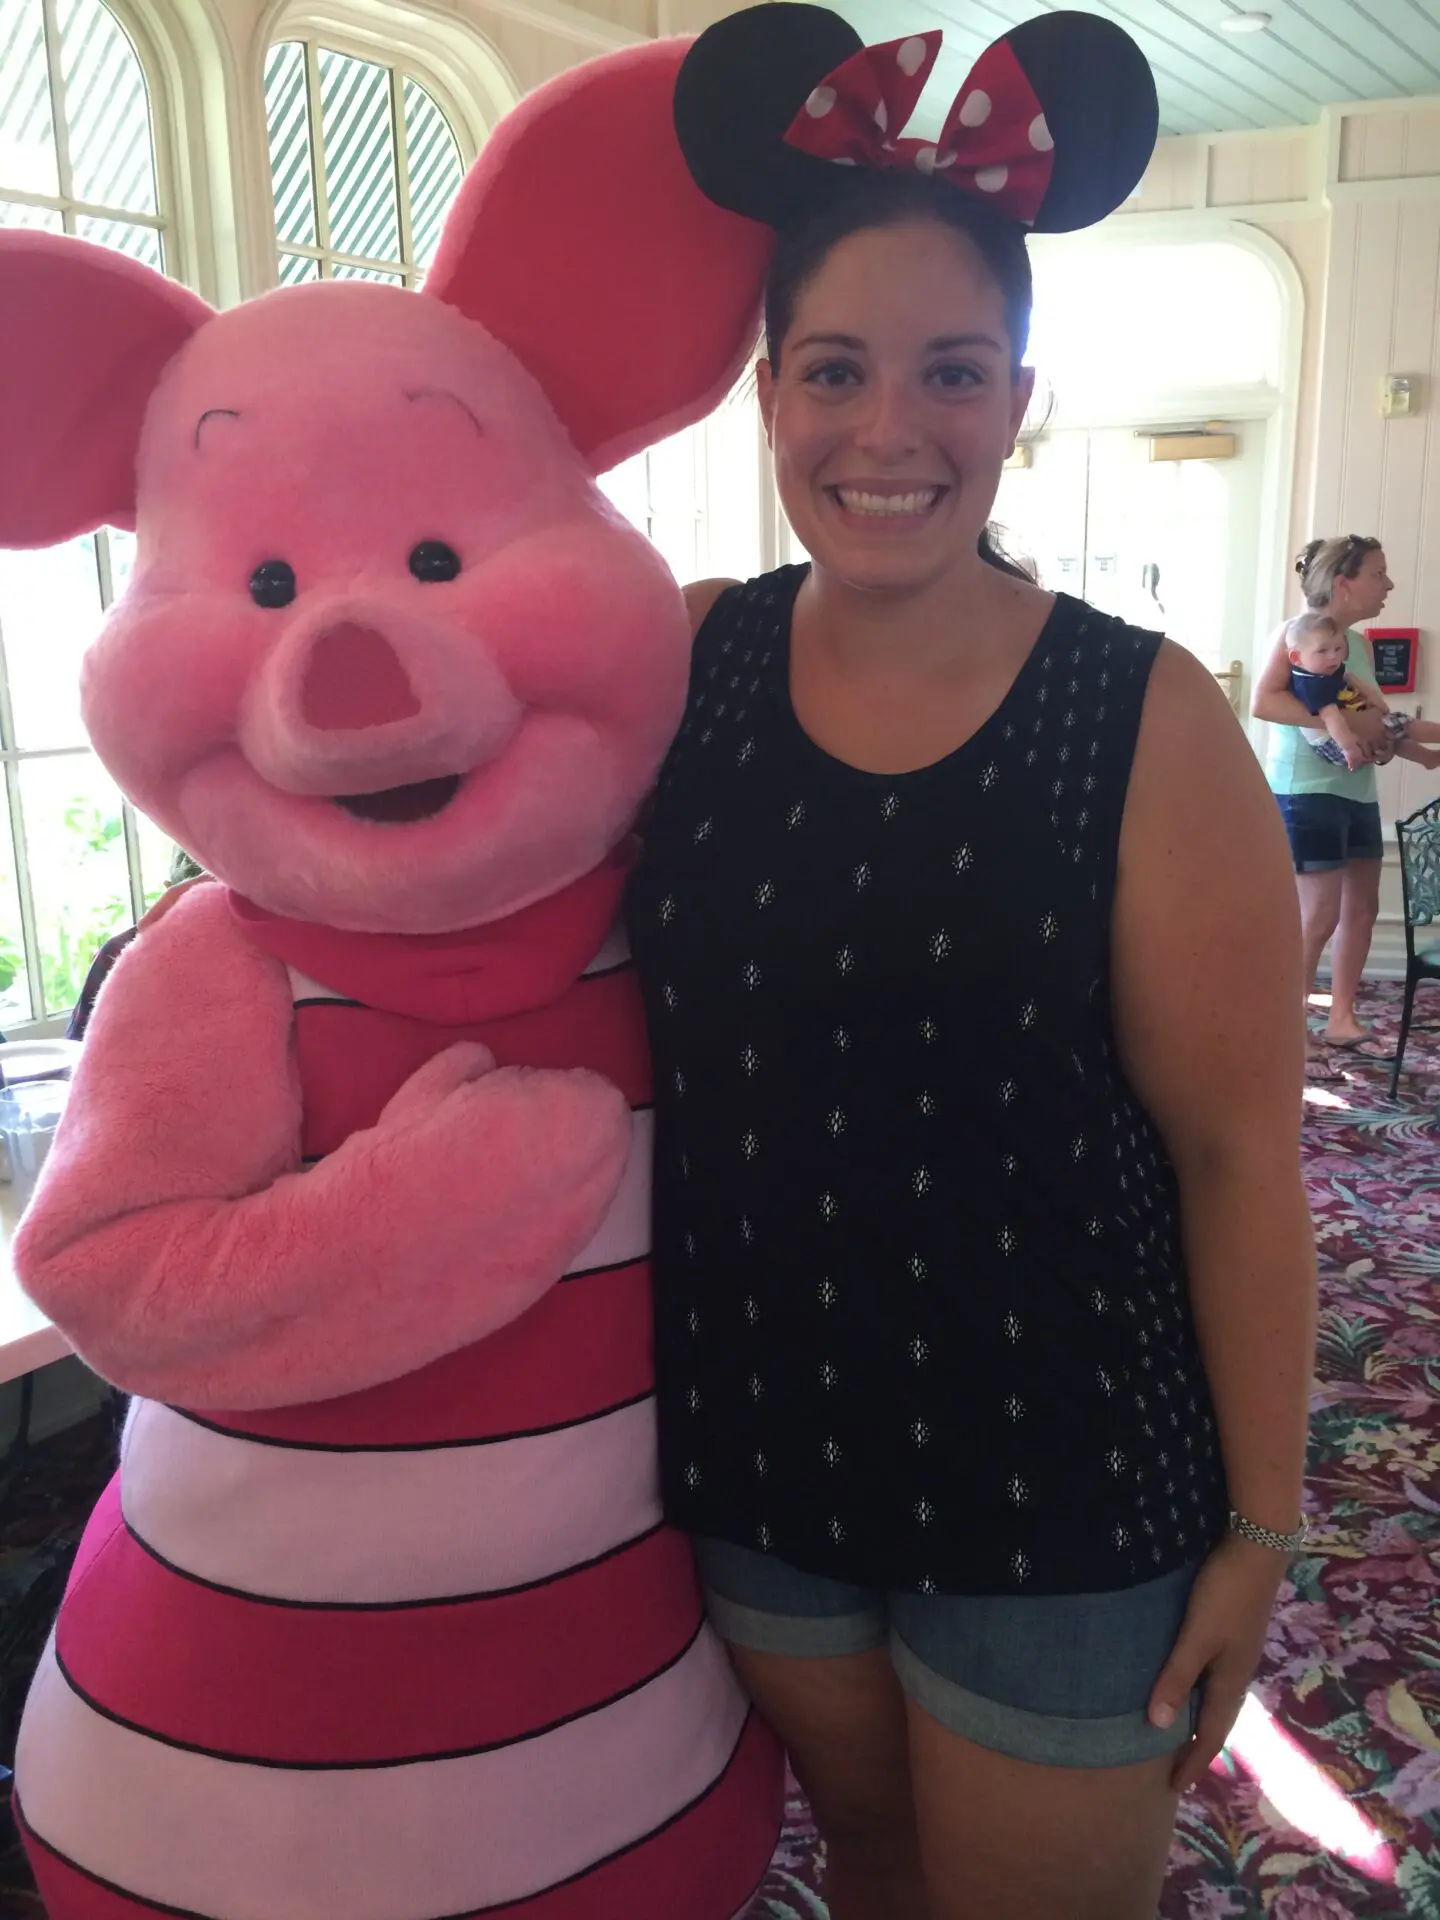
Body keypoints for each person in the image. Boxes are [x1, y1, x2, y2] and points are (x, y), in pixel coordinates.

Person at [628, 10, 1318, 1919]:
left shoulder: (1141, 713)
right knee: (868, 1869)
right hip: (767, 1453)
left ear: (1018, 396)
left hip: (1065, 1480)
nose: (887, 434)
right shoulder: (686, 662)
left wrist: (1261, 1532)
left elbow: (1242, 1158)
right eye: (836, 372)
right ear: (768, 391)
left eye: (949, 374)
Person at [1252, 537, 1439, 1065]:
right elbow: (1265, 701)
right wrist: (1341, 724)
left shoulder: (1358, 645)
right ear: (1343, 582)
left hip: (1356, 788)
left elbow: (1374, 713)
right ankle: (1290, 1028)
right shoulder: (1297, 633)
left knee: (1362, 906)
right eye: (1379, 573)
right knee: (1319, 916)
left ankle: (1340, 1018)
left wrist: (1381, 741)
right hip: (1307, 790)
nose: (1389, 584)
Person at [1283, 608, 1440, 771]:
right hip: (1333, 743)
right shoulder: (1312, 684)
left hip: (1344, 737)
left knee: (1395, 735)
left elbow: (1349, 677)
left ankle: (1428, 758)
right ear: (1296, 658)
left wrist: (1375, 700)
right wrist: (1349, 748)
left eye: (1338, 649)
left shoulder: (1323, 669)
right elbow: (1333, 720)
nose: (1333, 656)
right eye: (1322, 650)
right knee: (1406, 724)